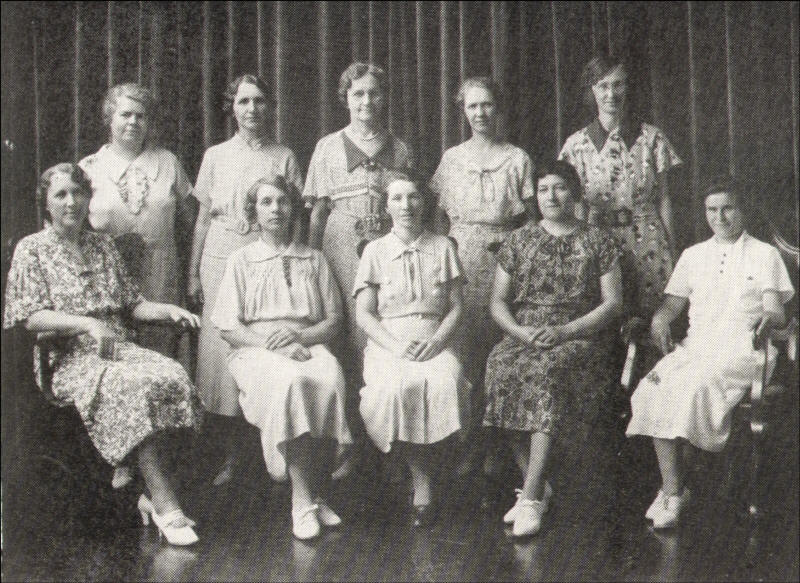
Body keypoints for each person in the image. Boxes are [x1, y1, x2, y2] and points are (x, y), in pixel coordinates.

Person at [3, 163, 203, 546]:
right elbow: (30, 317)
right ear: (46, 202)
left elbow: (132, 304)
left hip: (117, 348)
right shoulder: (32, 249)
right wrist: (86, 324)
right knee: (131, 386)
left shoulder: (102, 246)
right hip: (68, 359)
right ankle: (166, 505)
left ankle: (142, 485)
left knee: (172, 374)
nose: (71, 202)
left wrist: (167, 310)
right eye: (61, 194)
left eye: (78, 192)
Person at [625, 177, 794, 529]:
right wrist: (660, 318)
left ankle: (672, 492)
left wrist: (769, 319)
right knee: (653, 389)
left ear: (743, 210)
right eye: (712, 210)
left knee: (691, 388)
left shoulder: (765, 254)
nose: (719, 217)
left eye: (728, 208)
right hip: (696, 347)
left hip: (744, 350)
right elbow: (672, 305)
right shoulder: (693, 255)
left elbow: (776, 311)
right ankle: (674, 489)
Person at [483, 160, 623, 537]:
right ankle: (538, 484)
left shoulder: (598, 239)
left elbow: (613, 303)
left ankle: (530, 498)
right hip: (526, 334)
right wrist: (520, 333)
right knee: (499, 365)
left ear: (574, 193)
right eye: (543, 189)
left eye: (560, 188)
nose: (552, 197)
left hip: (580, 335)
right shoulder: (519, 240)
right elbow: (498, 302)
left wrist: (565, 331)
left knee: (545, 371)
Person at [211, 176, 351, 540]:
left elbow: (334, 320)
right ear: (254, 212)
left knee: (330, 375)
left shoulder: (314, 258)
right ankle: (301, 500)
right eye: (266, 202)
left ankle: (317, 493)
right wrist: (274, 345)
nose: (276, 209)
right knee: (291, 382)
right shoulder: (241, 259)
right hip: (256, 349)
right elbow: (227, 326)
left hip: (306, 343)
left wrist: (299, 337)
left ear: (293, 209)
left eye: (283, 202)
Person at [187, 74, 304, 485]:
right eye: (243, 101)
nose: (252, 109)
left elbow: (295, 218)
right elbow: (202, 220)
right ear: (231, 107)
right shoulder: (215, 155)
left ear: (269, 106)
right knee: (221, 356)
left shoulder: (283, 155)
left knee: (262, 342)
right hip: (219, 256)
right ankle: (232, 454)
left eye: (259, 101)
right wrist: (193, 274)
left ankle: (272, 450)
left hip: (265, 257)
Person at [305, 62, 414, 475]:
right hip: (339, 251)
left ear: (384, 98)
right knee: (345, 340)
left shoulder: (400, 149)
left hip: (387, 254)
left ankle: (390, 444)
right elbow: (318, 213)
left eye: (374, 93)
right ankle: (347, 442)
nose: (367, 101)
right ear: (346, 99)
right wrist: (312, 263)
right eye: (358, 94)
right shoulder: (327, 147)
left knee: (385, 336)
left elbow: (412, 210)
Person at [429, 77, 535, 476]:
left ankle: (500, 446)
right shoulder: (452, 158)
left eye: (487, 104)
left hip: (504, 261)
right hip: (459, 258)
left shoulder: (517, 158)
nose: (480, 113)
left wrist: (515, 255)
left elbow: (532, 220)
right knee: (465, 352)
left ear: (498, 108)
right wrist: (443, 261)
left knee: (501, 353)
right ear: (463, 111)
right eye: (472, 106)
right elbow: (438, 220)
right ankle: (468, 443)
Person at [353, 171, 468, 527]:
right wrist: (396, 347)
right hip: (389, 342)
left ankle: (427, 470)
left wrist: (437, 342)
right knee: (395, 387)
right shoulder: (375, 250)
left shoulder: (443, 246)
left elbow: (456, 307)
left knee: (447, 383)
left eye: (413, 197)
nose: (406, 206)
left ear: (424, 202)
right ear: (386, 206)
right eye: (397, 198)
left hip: (435, 338)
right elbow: (364, 314)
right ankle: (421, 480)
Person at [559, 53, 682, 320]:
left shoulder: (652, 138)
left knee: (653, 318)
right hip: (598, 238)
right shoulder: (576, 145)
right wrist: (578, 249)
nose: (611, 94)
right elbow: (577, 206)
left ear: (627, 87)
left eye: (618, 85)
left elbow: (665, 199)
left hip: (648, 240)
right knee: (604, 316)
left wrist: (673, 248)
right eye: (603, 86)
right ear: (592, 90)